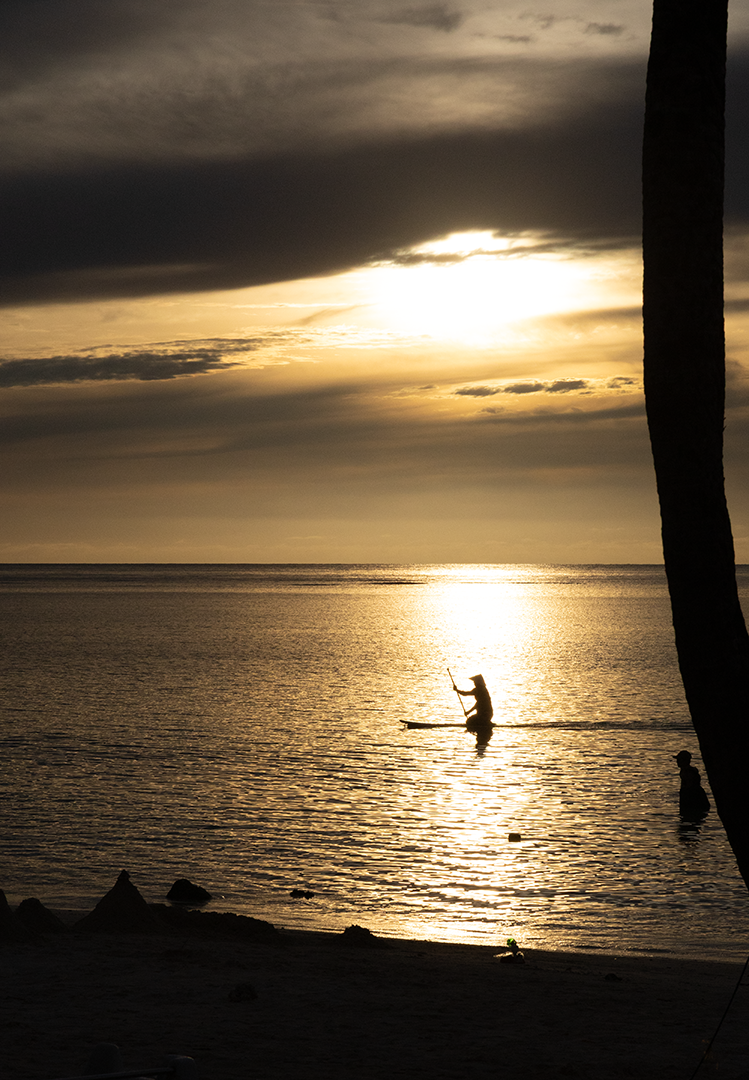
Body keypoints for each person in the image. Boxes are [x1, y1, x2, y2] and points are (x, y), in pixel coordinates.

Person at [674, 750, 710, 818]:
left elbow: (690, 789)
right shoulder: (685, 771)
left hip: (691, 800)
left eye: (679, 760)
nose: (677, 762)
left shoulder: (688, 773)